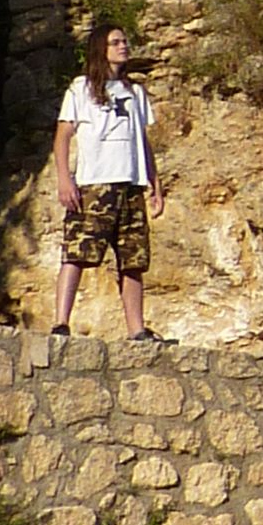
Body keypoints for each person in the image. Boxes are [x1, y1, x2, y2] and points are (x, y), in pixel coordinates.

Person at [49, 23, 164, 340]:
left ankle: (136, 329)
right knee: (77, 253)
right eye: (116, 42)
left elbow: (143, 141)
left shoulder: (135, 93)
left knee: (133, 260)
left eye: (125, 41)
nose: (123, 46)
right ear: (102, 48)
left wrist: (155, 183)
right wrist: (64, 179)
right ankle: (61, 322)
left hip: (130, 186)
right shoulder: (81, 88)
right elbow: (62, 136)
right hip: (94, 185)